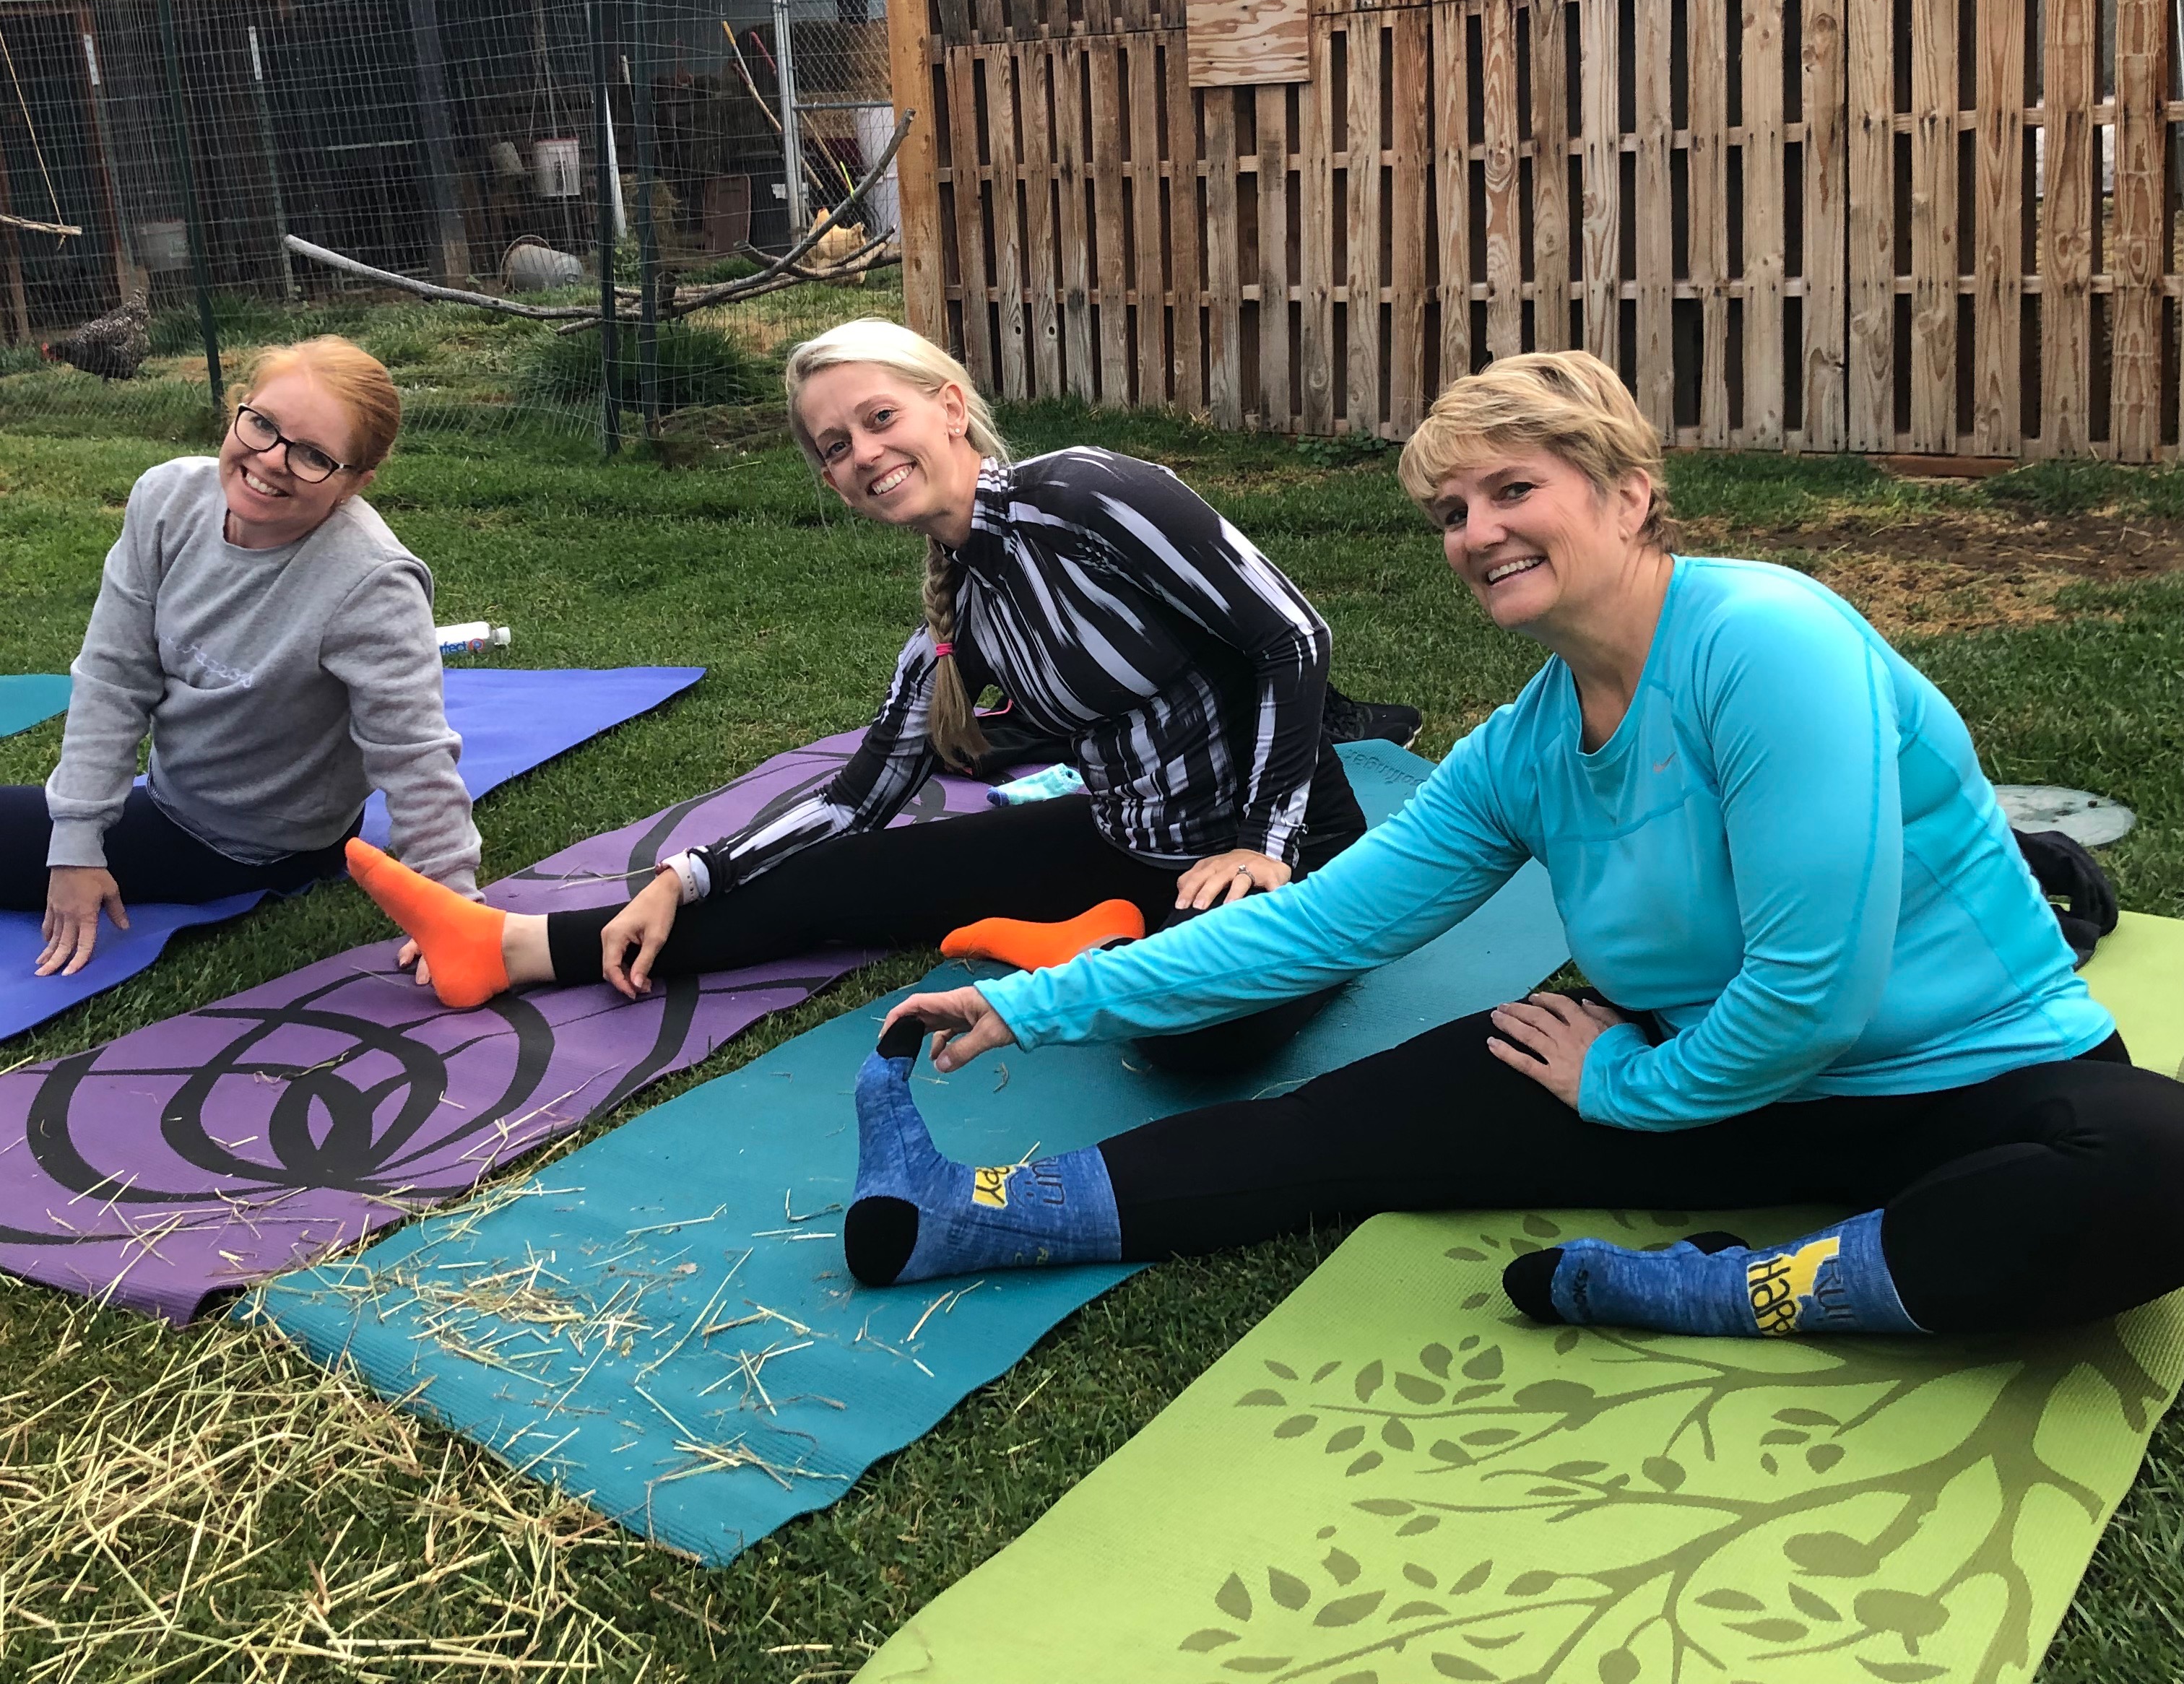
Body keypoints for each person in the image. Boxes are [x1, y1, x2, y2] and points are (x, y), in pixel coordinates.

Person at [842, 349, 2184, 1340]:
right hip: (1716, 1081)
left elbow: (1811, 993)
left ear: (1628, 494)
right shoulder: (1519, 748)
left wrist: (1628, 1088)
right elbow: (1318, 923)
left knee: (2156, 1169)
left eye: (1511, 490)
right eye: (1450, 512)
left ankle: (1729, 1288)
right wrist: (1029, 1006)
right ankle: (971, 1212)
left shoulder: (1765, 643)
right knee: (1348, 1123)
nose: (1476, 532)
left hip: (1963, 1081)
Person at [352, 318, 1377, 1074]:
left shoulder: (1090, 494)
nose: (865, 453)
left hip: (1286, 857)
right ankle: (508, 947)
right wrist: (686, 876)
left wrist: (1265, 841)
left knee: (1186, 1045)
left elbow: (1291, 637)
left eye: (880, 418)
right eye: (836, 447)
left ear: (950, 407)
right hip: (1127, 849)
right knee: (847, 874)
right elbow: (855, 800)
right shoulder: (952, 622)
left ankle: (1105, 947)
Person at [2, 336, 480, 974]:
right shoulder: (167, 500)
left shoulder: (372, 584)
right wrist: (75, 843)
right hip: (175, 792)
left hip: (258, 843)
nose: (272, 460)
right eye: (262, 424)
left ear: (354, 482)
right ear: (237, 410)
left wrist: (451, 906)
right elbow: (114, 677)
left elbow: (412, 751)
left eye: (313, 455)